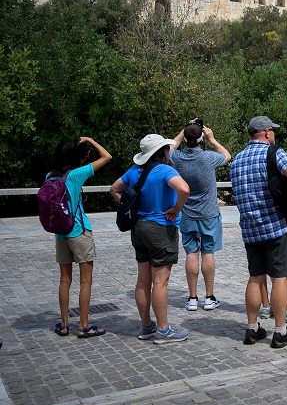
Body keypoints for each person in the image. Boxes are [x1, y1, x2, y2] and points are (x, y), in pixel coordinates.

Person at [231, 116, 287, 348]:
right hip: (276, 226)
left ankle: (252, 329)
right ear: (267, 132)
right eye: (273, 132)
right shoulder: (273, 153)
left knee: (255, 278)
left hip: (250, 229)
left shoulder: (236, 160)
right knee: (279, 278)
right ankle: (281, 332)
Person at [110, 134, 191, 344]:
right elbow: (184, 189)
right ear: (162, 152)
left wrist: (131, 206)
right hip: (161, 229)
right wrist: (176, 208)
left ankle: (146, 325)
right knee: (160, 282)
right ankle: (163, 330)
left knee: (143, 281)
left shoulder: (134, 172)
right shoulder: (165, 170)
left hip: (139, 229)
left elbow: (114, 189)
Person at [50, 137, 112, 339]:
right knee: (85, 281)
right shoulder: (77, 175)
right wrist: (91, 141)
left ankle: (64, 324)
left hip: (61, 233)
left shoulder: (50, 176)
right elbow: (107, 157)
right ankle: (84, 325)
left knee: (64, 280)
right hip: (79, 231)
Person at [169, 119, 231, 312]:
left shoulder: (177, 157)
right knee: (208, 253)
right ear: (202, 138)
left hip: (187, 214)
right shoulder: (209, 158)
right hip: (209, 214)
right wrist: (212, 139)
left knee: (191, 254)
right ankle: (209, 297)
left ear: (186, 139)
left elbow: (170, 146)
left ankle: (192, 298)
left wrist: (183, 131)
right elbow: (227, 156)